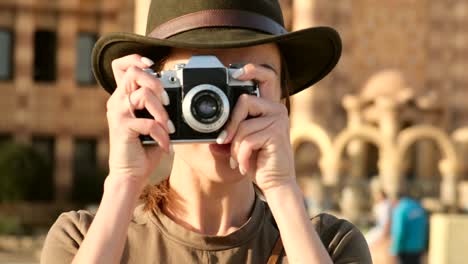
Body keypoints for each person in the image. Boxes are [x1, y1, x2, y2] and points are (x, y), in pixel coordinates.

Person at [41, 0, 372, 263]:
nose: (221, 110)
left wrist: (282, 189)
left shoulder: (331, 246)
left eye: (247, 84)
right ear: (153, 90)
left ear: (284, 99)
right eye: (198, 85)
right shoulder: (81, 240)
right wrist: (123, 182)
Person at [391, 189, 428, 264]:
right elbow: (425, 228)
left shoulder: (400, 209)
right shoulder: (418, 207)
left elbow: (399, 231)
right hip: (418, 248)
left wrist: (394, 249)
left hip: (405, 250)